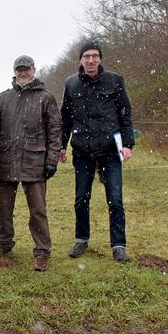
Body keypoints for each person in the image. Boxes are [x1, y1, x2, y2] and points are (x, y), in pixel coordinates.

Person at [60, 39, 135, 263]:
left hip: (110, 151)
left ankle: (118, 245)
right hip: (82, 151)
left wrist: (128, 144)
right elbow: (66, 118)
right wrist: (62, 145)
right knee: (81, 198)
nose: (91, 60)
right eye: (86, 57)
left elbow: (125, 113)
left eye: (94, 56)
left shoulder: (114, 80)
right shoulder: (71, 84)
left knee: (115, 199)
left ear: (100, 58)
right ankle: (81, 238)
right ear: (80, 60)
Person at [0, 55, 61, 271]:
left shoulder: (45, 98)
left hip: (35, 163)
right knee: (4, 210)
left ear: (34, 69)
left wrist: (51, 160)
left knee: (38, 210)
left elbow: (55, 131)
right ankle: (4, 245)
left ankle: (42, 252)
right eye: (19, 69)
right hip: (6, 162)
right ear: (14, 71)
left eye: (26, 69)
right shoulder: (2, 99)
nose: (23, 73)